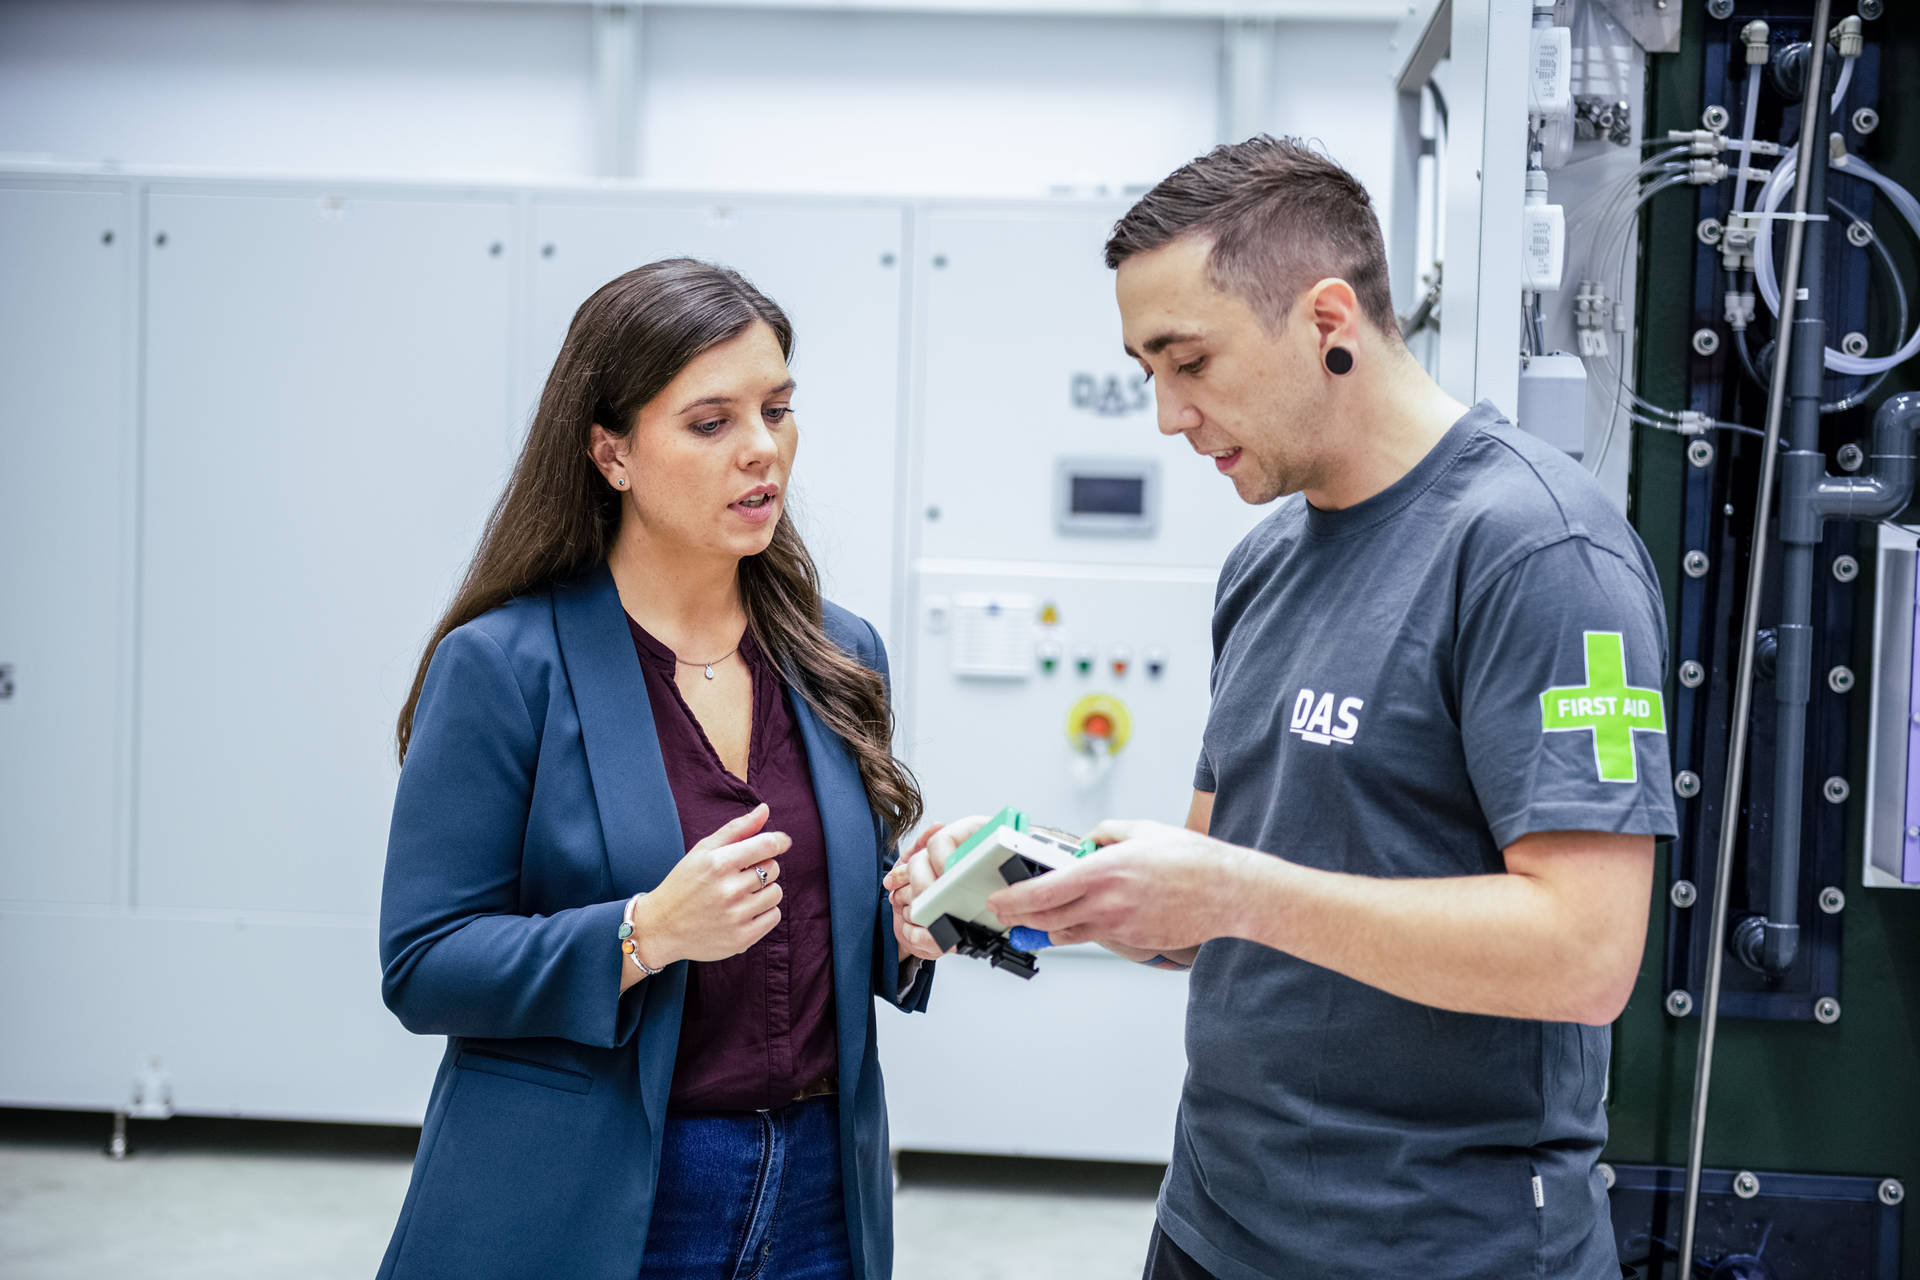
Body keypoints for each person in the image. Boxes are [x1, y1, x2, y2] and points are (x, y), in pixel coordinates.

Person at [894, 137, 1676, 1280]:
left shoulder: (1536, 551)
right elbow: (1214, 904)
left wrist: (1227, 886)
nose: (1168, 415)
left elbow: (1587, 952)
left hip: (1441, 1248)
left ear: (1327, 319)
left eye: (1190, 360)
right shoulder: (1265, 563)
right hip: (1216, 1223)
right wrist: (1048, 881)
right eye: (1148, 369)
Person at [376, 258, 940, 1280]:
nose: (763, 450)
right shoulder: (507, 666)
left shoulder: (837, 652)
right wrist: (644, 934)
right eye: (711, 421)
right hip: (601, 1195)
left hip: (820, 1186)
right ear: (611, 451)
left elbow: (821, 925)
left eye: (777, 408)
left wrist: (904, 921)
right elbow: (424, 963)